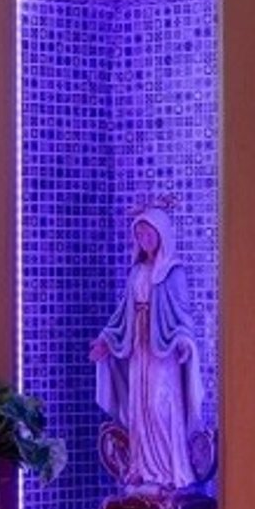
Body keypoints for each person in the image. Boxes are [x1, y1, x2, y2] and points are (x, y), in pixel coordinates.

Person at [89, 204, 206, 492]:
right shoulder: (137, 272)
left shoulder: (173, 272)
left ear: (161, 234)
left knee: (158, 405)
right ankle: (141, 468)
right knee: (138, 406)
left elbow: (183, 314)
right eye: (139, 234)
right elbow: (123, 314)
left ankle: (169, 470)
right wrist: (106, 340)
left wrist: (183, 341)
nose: (144, 239)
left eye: (149, 233)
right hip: (138, 348)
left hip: (162, 350)